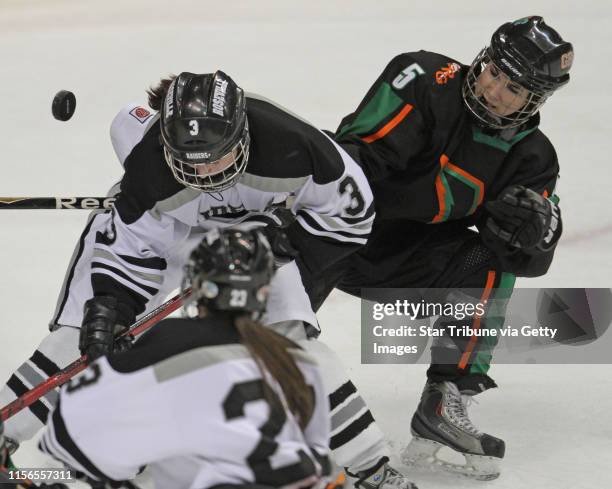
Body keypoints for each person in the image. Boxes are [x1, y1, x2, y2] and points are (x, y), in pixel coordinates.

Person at [0, 72, 415, 488]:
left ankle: (375, 470)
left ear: (243, 135)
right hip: (167, 233)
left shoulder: (297, 147)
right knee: (86, 333)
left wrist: (288, 242)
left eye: (214, 157)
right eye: (188, 159)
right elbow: (129, 252)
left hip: (255, 239)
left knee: (289, 348)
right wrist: (112, 305)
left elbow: (351, 218)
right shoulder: (149, 167)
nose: (203, 172)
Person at [305, 16, 573, 480]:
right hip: (332, 229)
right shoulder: (422, 78)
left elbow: (528, 263)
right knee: (271, 327)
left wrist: (536, 234)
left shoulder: (534, 158)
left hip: (399, 262)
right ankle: (228, 377)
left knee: (492, 262)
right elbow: (351, 161)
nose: (493, 90)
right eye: (493, 70)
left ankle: (445, 401)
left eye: (513, 89)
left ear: (537, 100)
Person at [37, 228, 330, 489]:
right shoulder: (298, 359)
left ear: (199, 285)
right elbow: (317, 460)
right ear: (264, 292)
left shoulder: (172, 340)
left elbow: (67, 435)